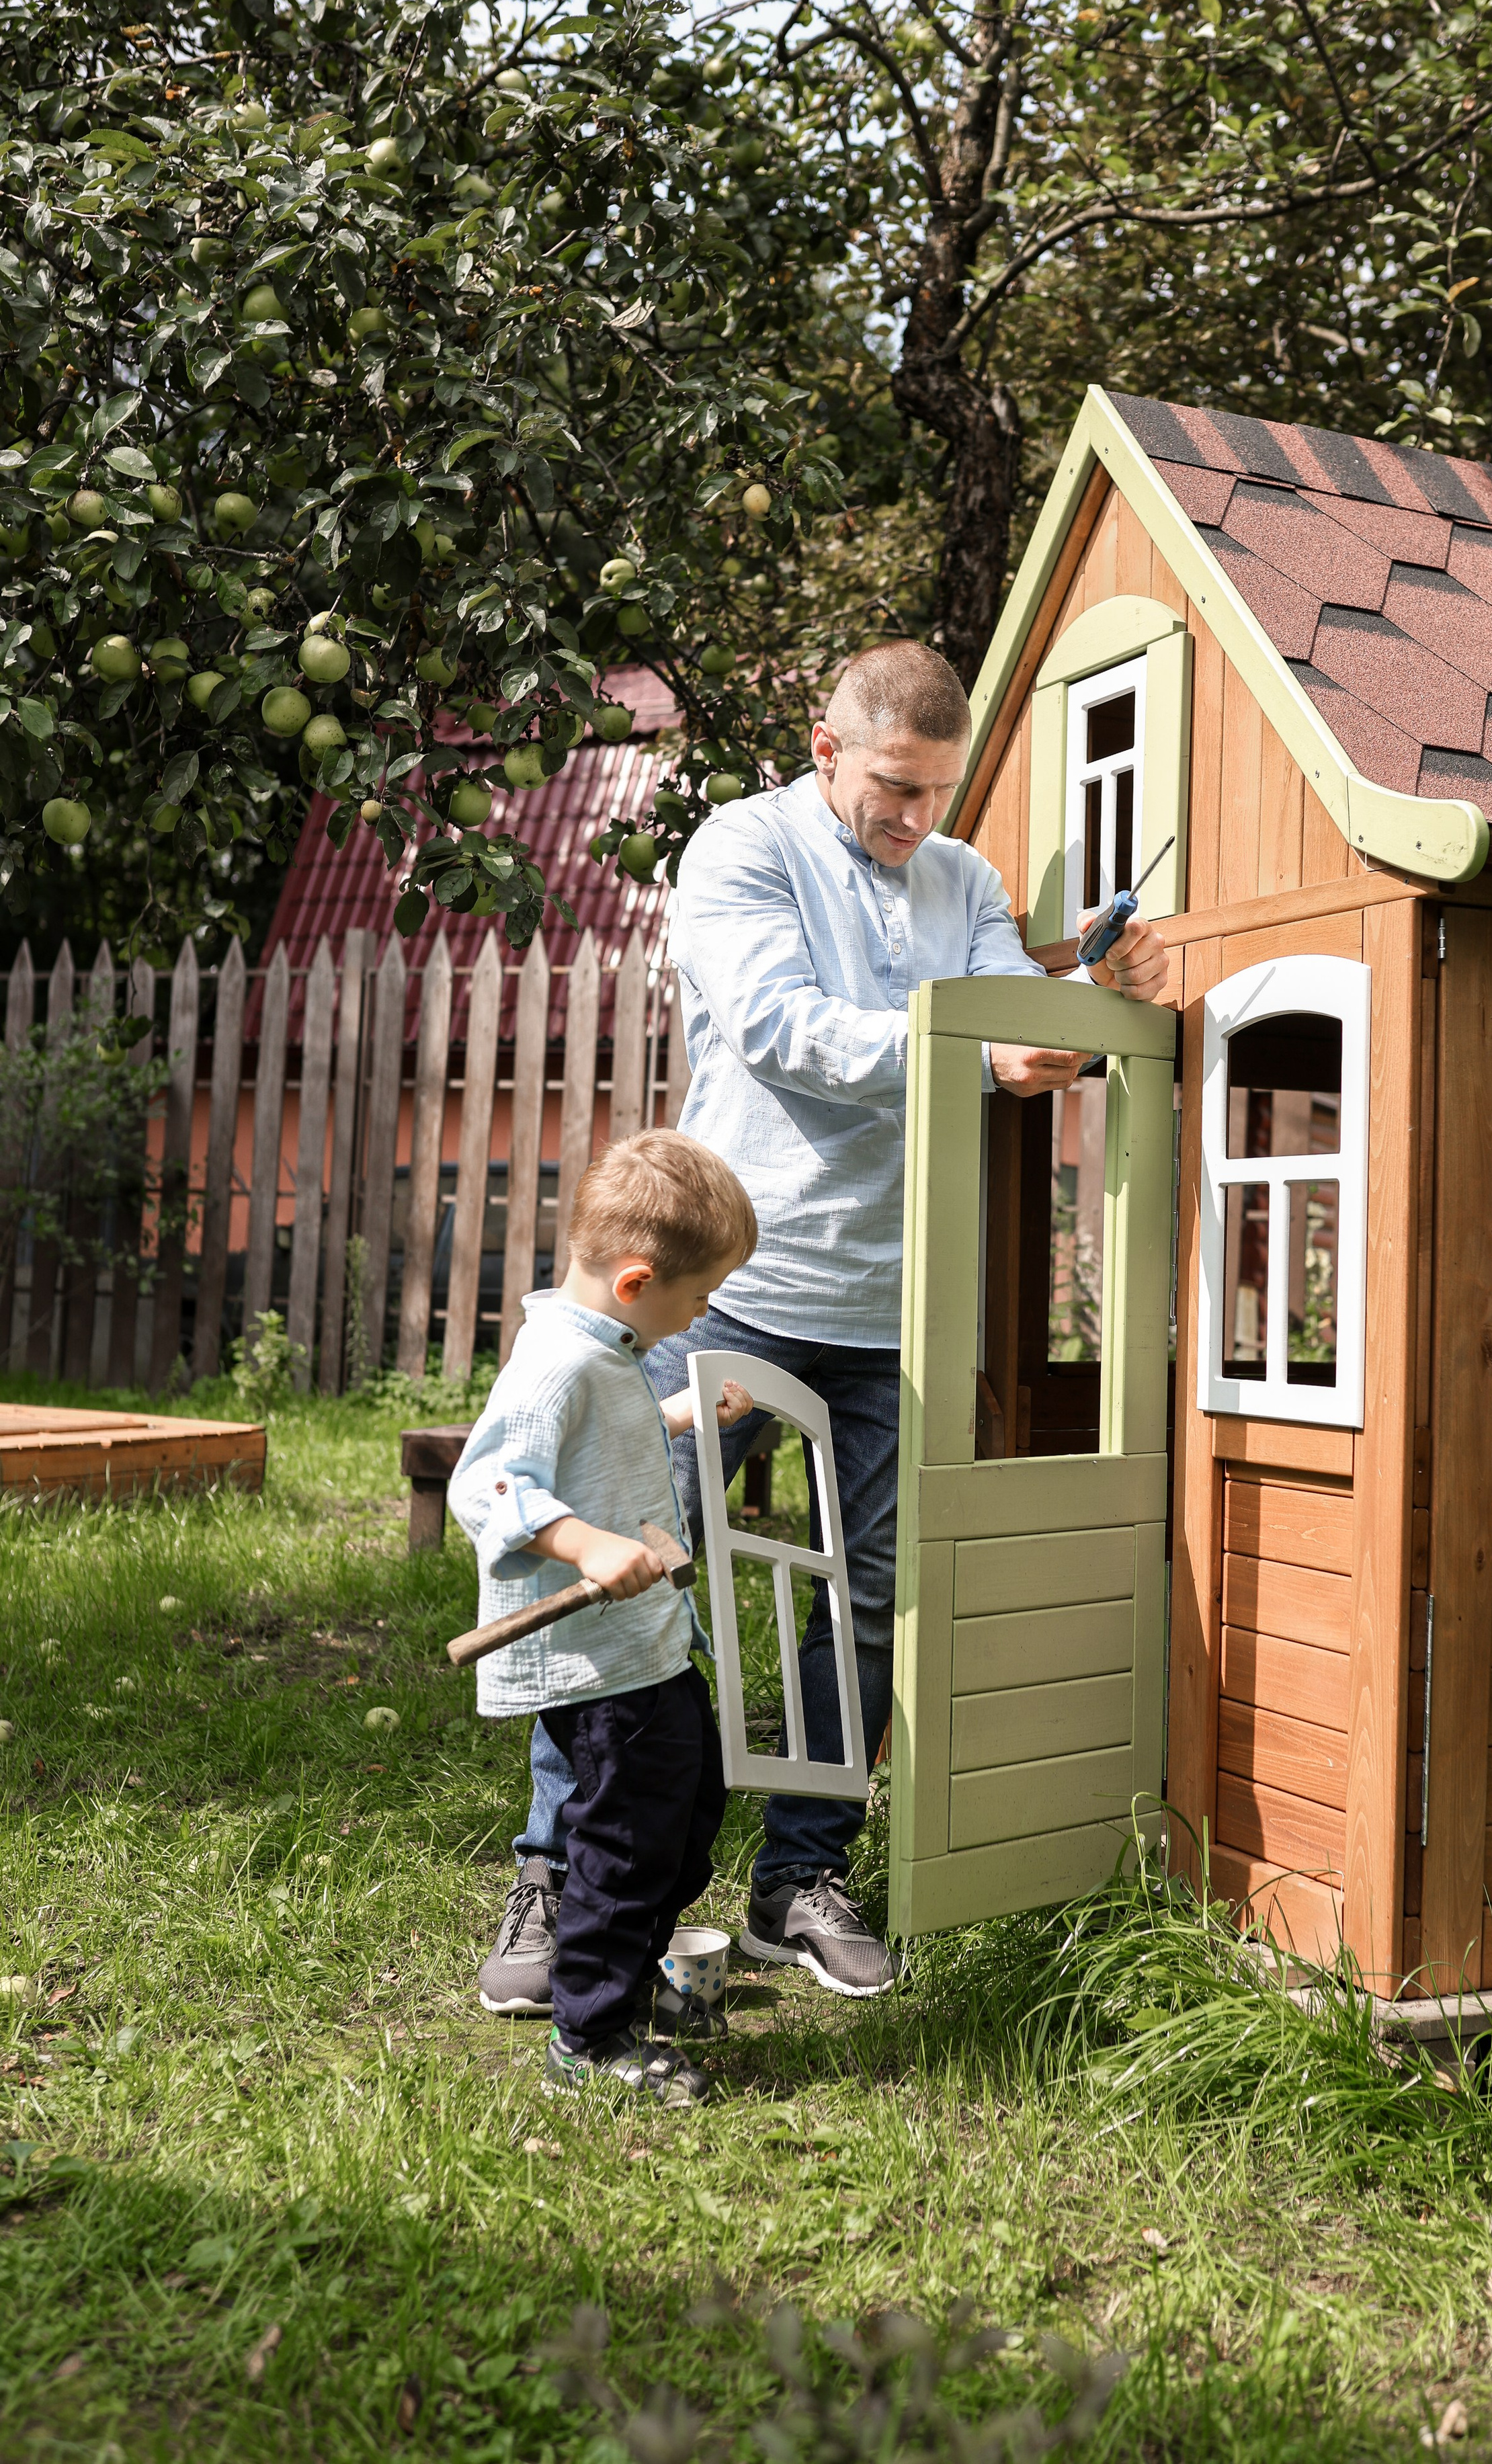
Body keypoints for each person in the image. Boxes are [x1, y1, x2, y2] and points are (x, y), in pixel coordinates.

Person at [478, 638, 1168, 2014]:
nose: (914, 819)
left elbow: (1003, 1027)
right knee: (628, 1579)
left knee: (863, 1601)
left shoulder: (960, 880)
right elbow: (784, 1029)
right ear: (823, 749)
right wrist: (973, 1048)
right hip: (722, 1294)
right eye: (892, 790)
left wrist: (1065, 1018)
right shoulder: (741, 852)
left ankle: (801, 1880)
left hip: (898, 1302)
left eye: (935, 792)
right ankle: (558, 1876)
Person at [451, 1128, 757, 2106]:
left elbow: (599, 1435)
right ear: (636, 1281)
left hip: (648, 1651)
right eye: (700, 1293)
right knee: (627, 1842)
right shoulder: (555, 1364)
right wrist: (583, 1545)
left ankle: (621, 1966)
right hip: (597, 1668)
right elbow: (487, 1484)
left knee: (688, 1814)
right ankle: (590, 2040)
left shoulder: (607, 1351)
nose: (705, 1310)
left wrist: (673, 1418)